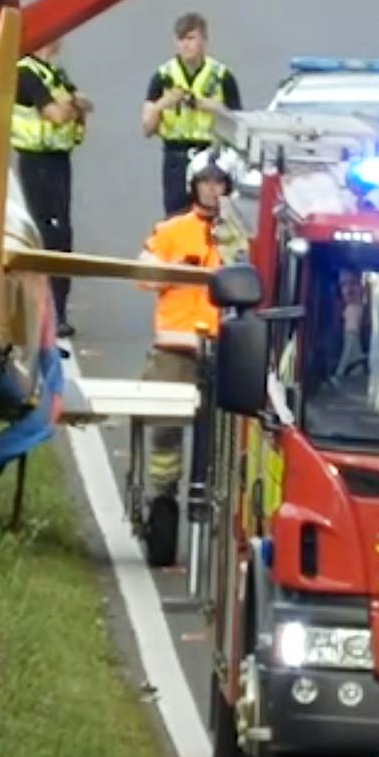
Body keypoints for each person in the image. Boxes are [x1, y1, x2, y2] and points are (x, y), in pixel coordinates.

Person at [137, 153, 241, 524]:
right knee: (164, 429)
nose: (212, 189)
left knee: (224, 435)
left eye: (219, 182)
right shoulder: (171, 230)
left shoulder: (241, 238)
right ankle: (162, 497)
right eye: (206, 181)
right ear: (193, 185)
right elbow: (144, 276)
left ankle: (218, 497)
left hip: (225, 351)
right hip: (175, 350)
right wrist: (174, 270)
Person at [11, 39, 93, 338]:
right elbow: (56, 114)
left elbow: (83, 104)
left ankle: (58, 309)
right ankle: (42, 310)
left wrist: (73, 104)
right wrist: (72, 104)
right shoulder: (27, 73)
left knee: (62, 234)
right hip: (38, 160)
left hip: (59, 159)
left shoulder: (55, 73)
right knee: (47, 233)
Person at [140, 12, 243, 217]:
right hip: (176, 156)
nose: (185, 45)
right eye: (181, 40)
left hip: (210, 156)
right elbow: (146, 128)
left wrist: (212, 106)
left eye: (191, 39)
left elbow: (238, 124)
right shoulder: (163, 76)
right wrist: (162, 104)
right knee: (176, 216)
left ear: (204, 41)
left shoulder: (221, 76)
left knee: (213, 216)